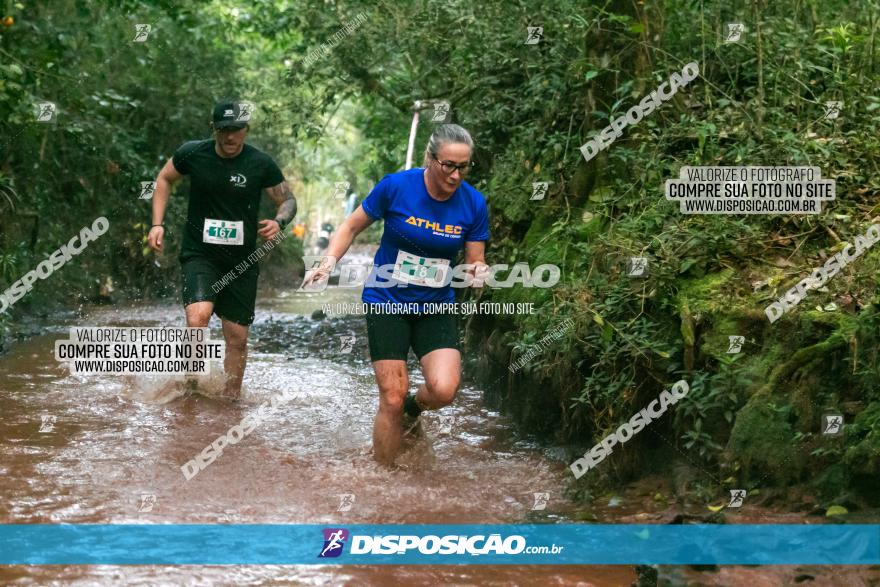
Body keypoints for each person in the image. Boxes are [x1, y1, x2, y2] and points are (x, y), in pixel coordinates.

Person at [301, 124, 489, 465]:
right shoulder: (396, 187)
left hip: (435, 305)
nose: (456, 174)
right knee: (391, 395)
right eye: (449, 165)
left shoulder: (473, 203)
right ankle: (383, 478)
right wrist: (326, 264)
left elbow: (475, 258)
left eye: (463, 167)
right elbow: (351, 226)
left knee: (444, 390)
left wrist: (478, 272)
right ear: (430, 159)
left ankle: (411, 412)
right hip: (387, 301)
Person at [147, 100, 297, 399]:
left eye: (237, 130)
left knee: (237, 338)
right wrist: (157, 223)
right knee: (197, 317)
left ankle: (230, 401)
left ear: (246, 130)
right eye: (224, 130)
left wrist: (279, 222)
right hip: (200, 255)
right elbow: (164, 179)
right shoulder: (193, 153)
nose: (230, 137)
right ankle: (190, 386)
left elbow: (288, 200)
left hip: (241, 262)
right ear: (213, 130)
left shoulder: (260, 163)